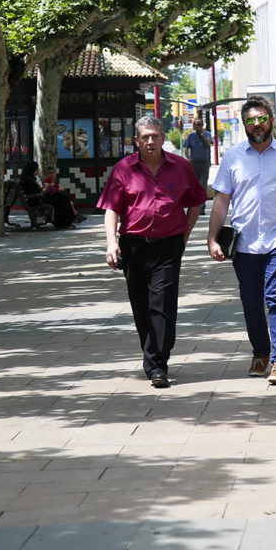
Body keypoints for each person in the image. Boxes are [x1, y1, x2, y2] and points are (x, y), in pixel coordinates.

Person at [207, 96, 276, 386]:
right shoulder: (233, 157)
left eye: (262, 119)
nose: (257, 125)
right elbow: (221, 201)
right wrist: (212, 238)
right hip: (244, 244)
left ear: (271, 120)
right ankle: (260, 353)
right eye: (251, 120)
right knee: (251, 302)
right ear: (244, 124)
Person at [97, 116, 206, 388]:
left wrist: (186, 233)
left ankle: (158, 364)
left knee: (163, 304)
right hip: (133, 246)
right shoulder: (123, 169)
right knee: (141, 306)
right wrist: (112, 243)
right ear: (136, 140)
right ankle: (152, 354)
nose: (150, 141)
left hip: (169, 244)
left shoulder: (180, 166)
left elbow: (196, 202)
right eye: (145, 136)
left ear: (163, 138)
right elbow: (111, 208)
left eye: (155, 136)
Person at [183, 119, 212, 214]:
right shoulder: (191, 136)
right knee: (194, 185)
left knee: (203, 184)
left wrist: (202, 134)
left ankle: (202, 208)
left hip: (204, 163)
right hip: (194, 163)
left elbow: (209, 144)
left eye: (200, 124)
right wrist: (188, 158)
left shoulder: (207, 134)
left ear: (203, 125)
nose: (198, 126)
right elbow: (186, 148)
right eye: (196, 124)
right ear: (193, 126)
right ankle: (195, 206)